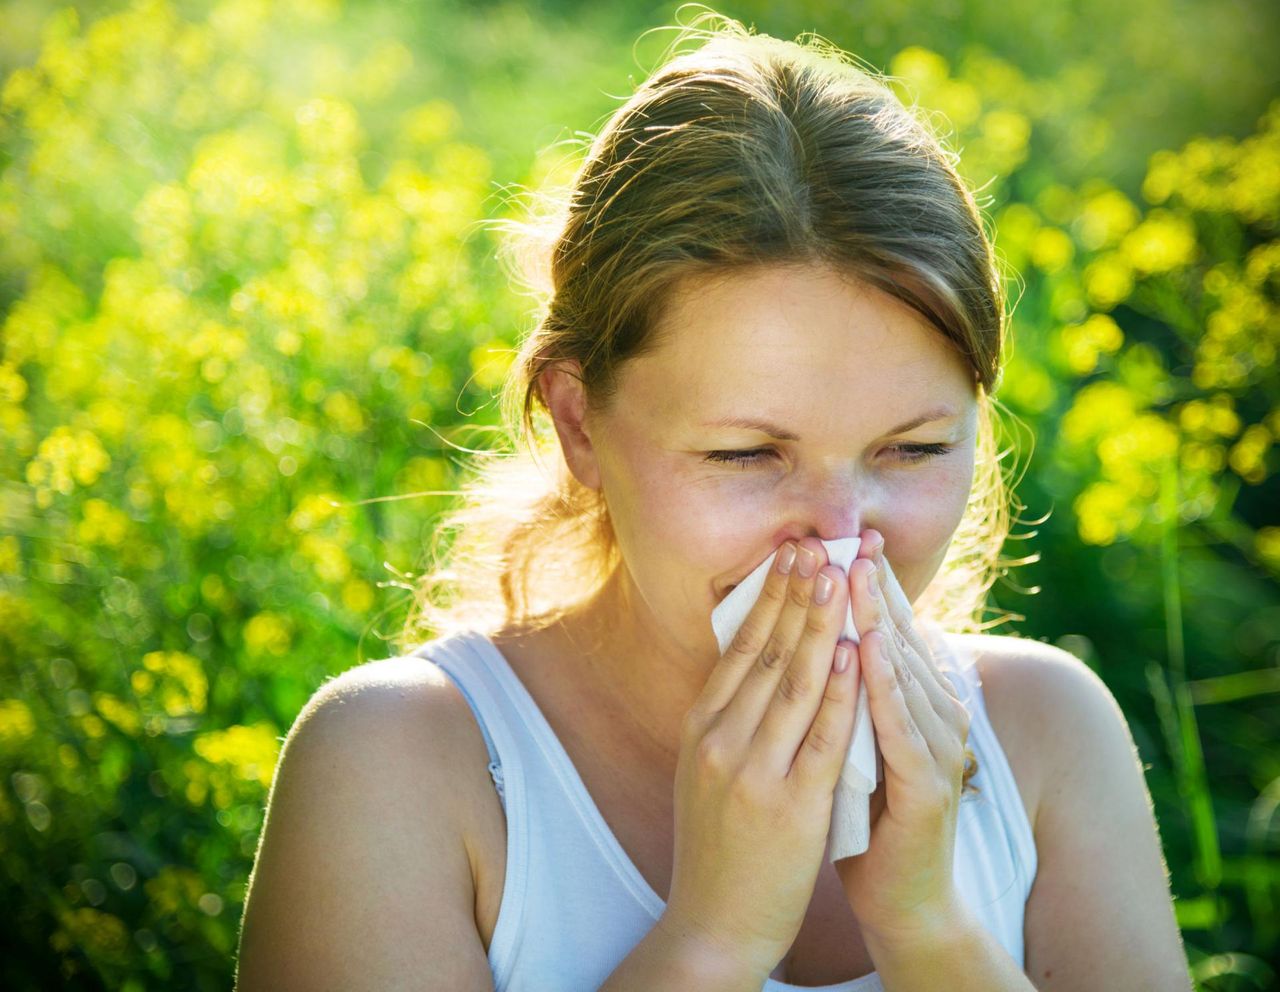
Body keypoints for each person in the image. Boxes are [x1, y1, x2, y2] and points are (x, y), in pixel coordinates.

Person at [234, 13, 1191, 992]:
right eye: (744, 454)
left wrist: (927, 926)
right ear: (577, 425)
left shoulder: (1045, 733)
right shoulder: (403, 766)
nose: (838, 537)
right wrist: (715, 935)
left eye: (911, 448)